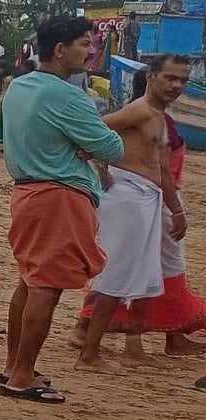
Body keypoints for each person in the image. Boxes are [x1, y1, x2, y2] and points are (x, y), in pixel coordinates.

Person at [0, 16, 125, 402]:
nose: (92, 51)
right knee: (46, 288)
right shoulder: (67, 96)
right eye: (85, 44)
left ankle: (14, 366)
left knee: (30, 281)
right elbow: (112, 147)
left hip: (28, 193)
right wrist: (84, 146)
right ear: (60, 50)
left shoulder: (20, 86)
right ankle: (22, 375)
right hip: (60, 197)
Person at [72, 54, 199, 365]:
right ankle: (89, 352)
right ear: (151, 76)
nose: (176, 85)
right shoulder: (139, 111)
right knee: (117, 274)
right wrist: (101, 170)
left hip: (148, 197)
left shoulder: (157, 115)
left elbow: (165, 171)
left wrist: (176, 211)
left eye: (182, 79)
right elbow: (91, 133)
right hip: (129, 196)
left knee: (145, 274)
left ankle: (132, 347)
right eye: (170, 77)